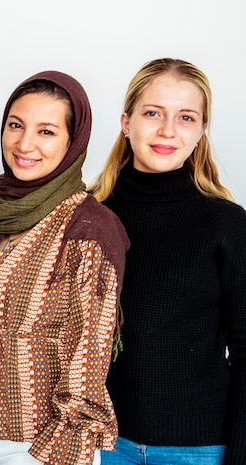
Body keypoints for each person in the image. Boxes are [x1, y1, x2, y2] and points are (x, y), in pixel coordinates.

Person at [0, 70, 129, 465]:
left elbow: (89, 351)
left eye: (46, 131)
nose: (24, 144)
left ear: (72, 142)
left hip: (39, 447)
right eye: (16, 125)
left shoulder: (89, 226)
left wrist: (61, 450)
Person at [90, 58, 246, 465]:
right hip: (102, 444)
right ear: (126, 122)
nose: (167, 130)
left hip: (198, 449)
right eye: (153, 113)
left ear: (201, 130)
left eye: (186, 117)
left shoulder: (226, 224)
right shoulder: (90, 216)